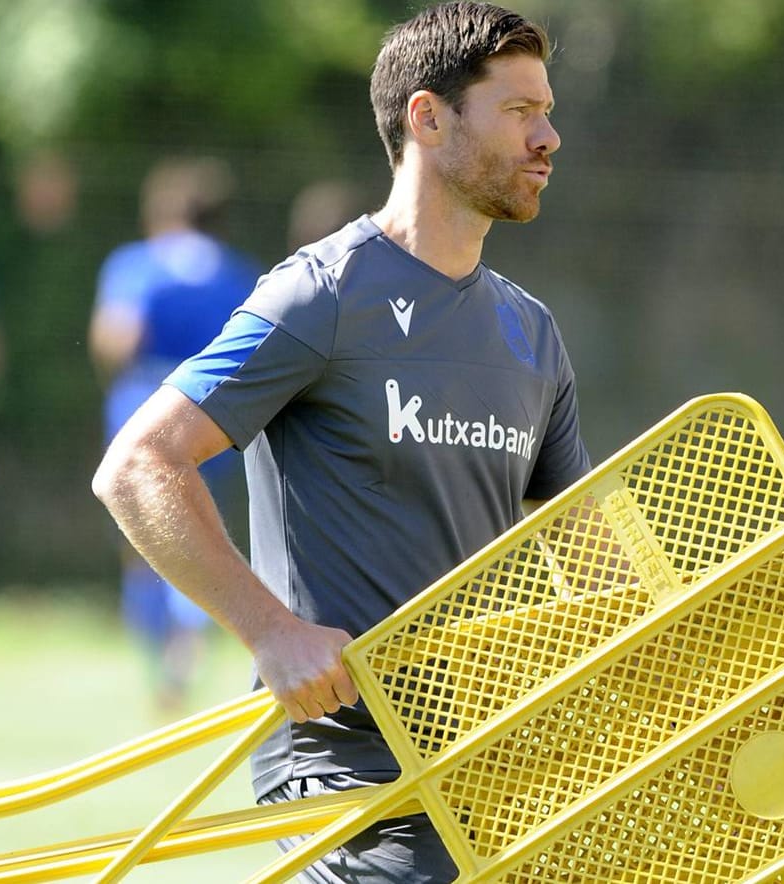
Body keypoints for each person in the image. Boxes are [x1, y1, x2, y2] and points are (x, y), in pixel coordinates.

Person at [93, 3, 584, 880]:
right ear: (427, 118)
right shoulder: (322, 295)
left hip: (499, 770)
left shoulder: (530, 331)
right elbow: (137, 465)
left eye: (545, 112)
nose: (547, 137)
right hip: (351, 784)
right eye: (518, 112)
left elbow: (583, 548)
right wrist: (271, 633)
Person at [88, 157, 262, 712]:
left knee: (144, 542)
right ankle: (191, 637)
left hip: (147, 404)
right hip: (216, 415)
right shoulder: (240, 272)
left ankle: (159, 664)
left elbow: (118, 338)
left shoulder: (136, 266)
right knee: (205, 530)